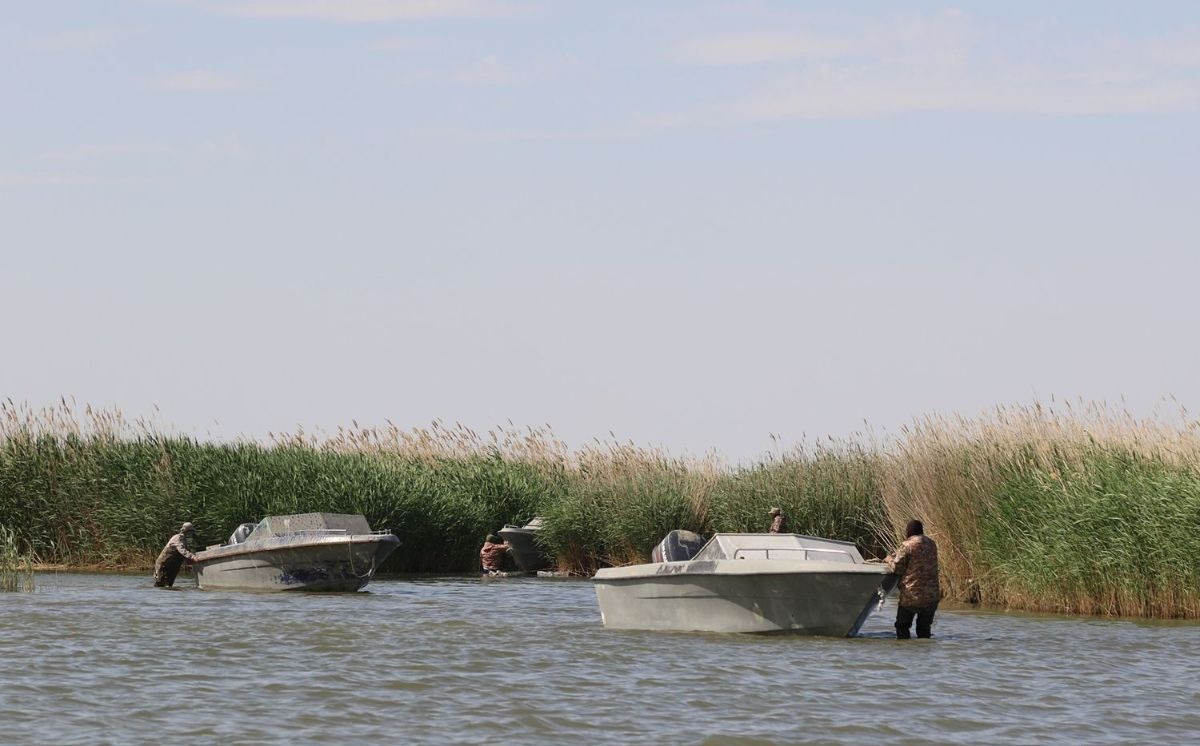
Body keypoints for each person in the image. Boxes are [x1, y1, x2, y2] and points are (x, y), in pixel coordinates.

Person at [885, 519, 941, 639]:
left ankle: (907, 654)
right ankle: (924, 656)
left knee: (902, 627)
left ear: (908, 531)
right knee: (924, 631)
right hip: (931, 597)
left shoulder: (907, 545)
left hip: (911, 596)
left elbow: (897, 568)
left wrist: (889, 559)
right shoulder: (932, 544)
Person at [154, 521, 199, 588]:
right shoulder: (177, 538)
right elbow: (181, 550)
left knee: (169, 585)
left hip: (173, 566)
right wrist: (192, 557)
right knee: (160, 584)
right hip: (164, 564)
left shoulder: (184, 540)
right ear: (187, 531)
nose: (191, 534)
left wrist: (188, 561)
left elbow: (183, 554)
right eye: (190, 531)